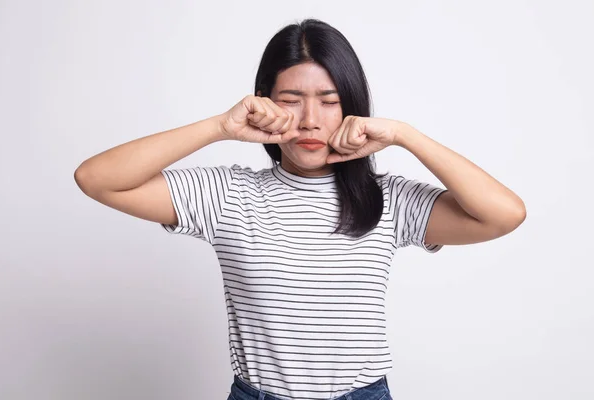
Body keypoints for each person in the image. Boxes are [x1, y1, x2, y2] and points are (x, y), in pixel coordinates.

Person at [74, 18, 526, 400]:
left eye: (329, 101)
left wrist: (405, 135)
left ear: (352, 107)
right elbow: (96, 179)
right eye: (291, 100)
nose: (310, 119)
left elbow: (504, 214)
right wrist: (219, 127)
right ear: (263, 102)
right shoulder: (227, 193)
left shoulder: (389, 199)